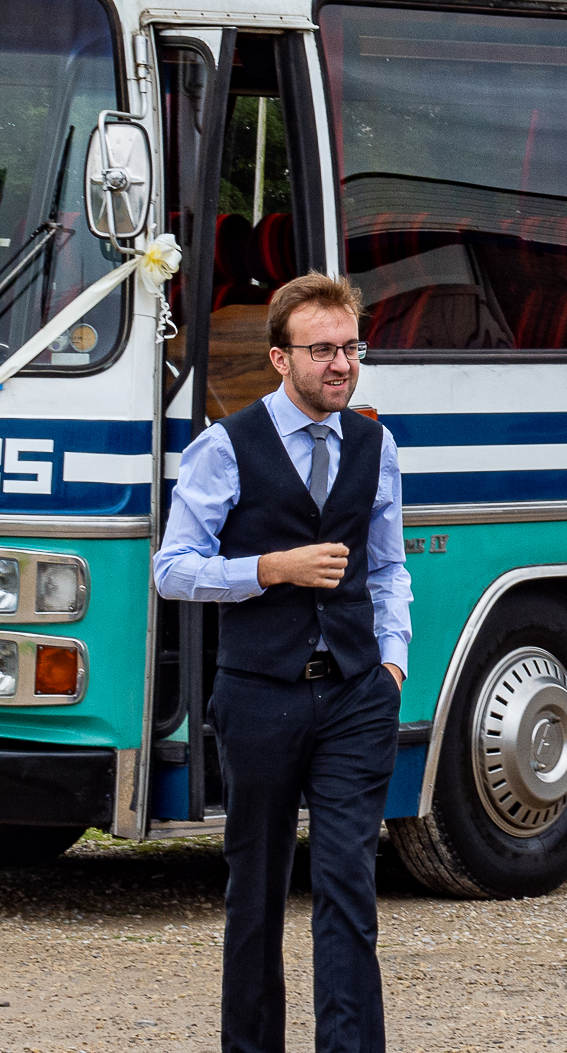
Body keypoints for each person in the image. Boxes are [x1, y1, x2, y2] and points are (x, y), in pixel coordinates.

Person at [154, 272, 410, 1053]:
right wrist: (270, 569)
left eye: (350, 347)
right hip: (260, 697)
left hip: (356, 697)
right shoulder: (223, 450)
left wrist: (392, 663)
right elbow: (172, 568)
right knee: (256, 896)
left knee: (347, 889)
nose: (341, 364)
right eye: (322, 350)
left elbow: (389, 566)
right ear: (278, 358)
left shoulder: (376, 444)